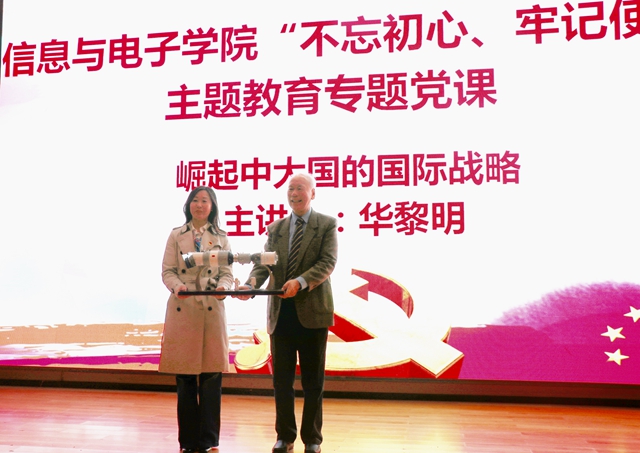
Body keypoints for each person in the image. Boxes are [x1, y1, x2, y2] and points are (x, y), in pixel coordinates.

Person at [238, 173, 338, 453]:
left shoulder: (326, 224)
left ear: (313, 193)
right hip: (281, 314)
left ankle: (312, 439)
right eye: (290, 188)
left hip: (313, 313)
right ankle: (285, 436)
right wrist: (250, 285)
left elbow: (328, 262)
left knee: (312, 382)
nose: (294, 193)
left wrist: (300, 282)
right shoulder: (276, 228)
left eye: (300, 188)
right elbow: (263, 264)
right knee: (281, 381)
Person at [159, 186, 233, 453]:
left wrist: (224, 288)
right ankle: (188, 442)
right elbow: (167, 271)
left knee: (212, 378)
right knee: (186, 379)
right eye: (195, 200)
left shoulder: (221, 237)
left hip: (212, 307)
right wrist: (177, 286)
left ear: (212, 207)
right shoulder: (176, 235)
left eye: (205, 201)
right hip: (184, 306)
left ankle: (209, 440)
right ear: (188, 205)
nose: (199, 205)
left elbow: (227, 272)